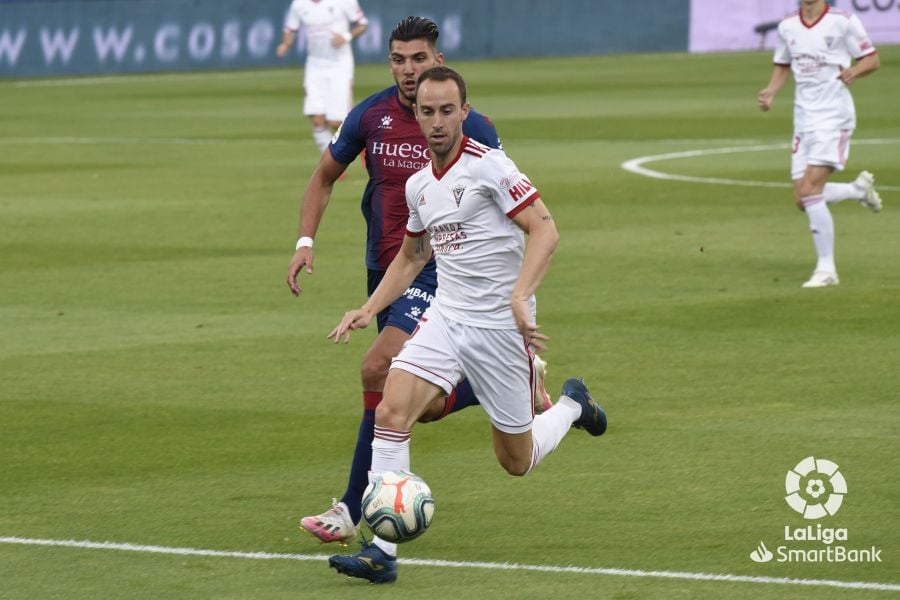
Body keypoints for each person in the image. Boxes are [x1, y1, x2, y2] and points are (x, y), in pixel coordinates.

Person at [326, 66, 608, 584]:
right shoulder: (418, 186)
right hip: (447, 316)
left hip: (500, 328)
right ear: (416, 114)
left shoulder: (491, 167)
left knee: (515, 461)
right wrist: (370, 308)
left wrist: (521, 294)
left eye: (447, 111)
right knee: (392, 407)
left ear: (465, 112)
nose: (437, 121)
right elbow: (412, 257)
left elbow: (545, 228)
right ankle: (382, 551)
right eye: (427, 111)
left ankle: (572, 404)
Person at [286, 17, 554, 546]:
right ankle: (503, 382)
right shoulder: (372, 117)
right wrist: (305, 243)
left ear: (437, 62)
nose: (409, 70)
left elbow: (523, 217)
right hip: (391, 266)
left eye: (418, 59)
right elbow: (326, 178)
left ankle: (357, 515)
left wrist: (513, 292)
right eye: (398, 59)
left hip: (449, 281)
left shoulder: (476, 136)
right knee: (422, 408)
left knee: (377, 369)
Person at [757, 0, 881, 288]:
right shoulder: (787, 26)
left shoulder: (843, 21)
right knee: (802, 199)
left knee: (811, 189)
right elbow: (782, 65)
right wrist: (771, 92)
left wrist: (855, 71)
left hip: (834, 117)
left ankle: (827, 269)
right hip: (803, 119)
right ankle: (856, 190)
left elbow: (872, 59)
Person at [276, 0, 369, 154]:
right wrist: (285, 44)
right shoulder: (299, 5)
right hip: (314, 65)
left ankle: (368, 146)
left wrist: (346, 36)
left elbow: (363, 24)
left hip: (339, 64)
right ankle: (330, 161)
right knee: (317, 119)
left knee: (336, 122)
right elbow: (290, 29)